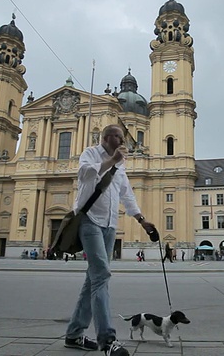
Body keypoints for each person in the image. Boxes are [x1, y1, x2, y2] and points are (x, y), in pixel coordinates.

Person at [63, 124, 156, 356]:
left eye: (122, 137)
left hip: (110, 225)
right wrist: (110, 161)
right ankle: (107, 341)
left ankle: (74, 334)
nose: (121, 140)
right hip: (90, 221)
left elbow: (127, 194)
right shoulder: (90, 153)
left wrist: (141, 220)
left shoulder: (121, 165)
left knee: (92, 280)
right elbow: (84, 174)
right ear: (106, 138)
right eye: (117, 136)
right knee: (101, 275)